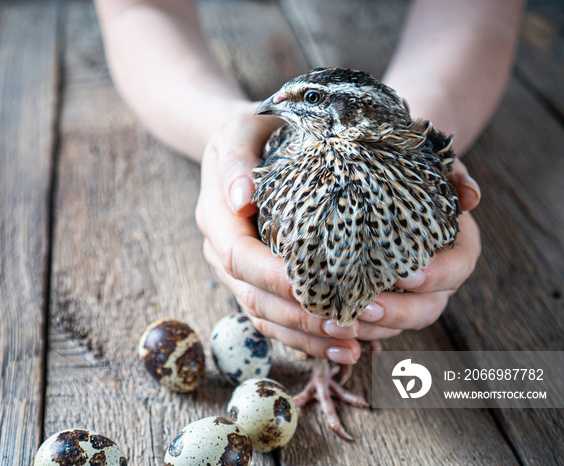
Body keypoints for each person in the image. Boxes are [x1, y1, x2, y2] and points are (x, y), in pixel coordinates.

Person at [94, 0, 525, 365]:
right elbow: (137, 8)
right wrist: (224, 133)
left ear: (353, 115)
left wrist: (430, 127)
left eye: (312, 100)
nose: (277, 104)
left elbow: (481, 13)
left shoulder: (421, 184)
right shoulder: (288, 181)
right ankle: (326, 358)